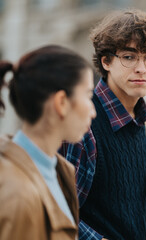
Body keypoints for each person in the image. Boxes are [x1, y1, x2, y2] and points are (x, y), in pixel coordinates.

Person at [60, 9, 146, 240]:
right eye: (129, 57)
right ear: (107, 61)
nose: (141, 68)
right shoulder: (82, 123)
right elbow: (58, 211)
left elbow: (144, 205)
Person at [0, 45, 96, 239]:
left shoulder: (60, 171)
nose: (93, 111)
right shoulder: (16, 194)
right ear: (61, 102)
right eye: (88, 95)